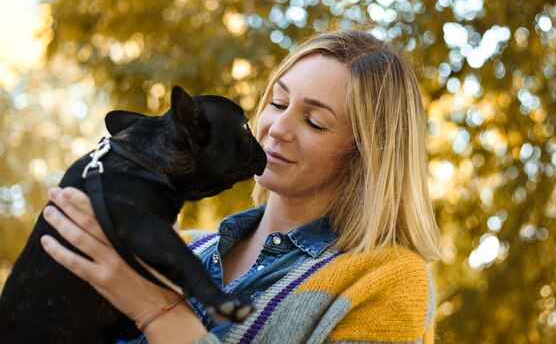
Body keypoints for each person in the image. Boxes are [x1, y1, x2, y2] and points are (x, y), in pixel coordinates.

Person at [41, 30, 441, 344]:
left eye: (314, 122)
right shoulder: (181, 247)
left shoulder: (388, 280)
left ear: (366, 155)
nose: (277, 129)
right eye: (278, 103)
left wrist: (157, 309)